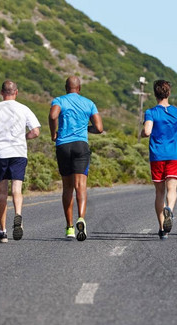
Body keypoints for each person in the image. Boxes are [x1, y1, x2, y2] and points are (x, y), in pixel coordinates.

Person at [0, 80, 41, 242]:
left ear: (1, 93)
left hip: (0, 153)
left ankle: (3, 231)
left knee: (2, 193)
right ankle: (18, 216)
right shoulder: (24, 108)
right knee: (17, 189)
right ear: (16, 92)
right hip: (19, 152)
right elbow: (35, 131)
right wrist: (23, 137)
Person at [48, 76, 104, 241]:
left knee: (67, 188)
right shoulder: (89, 103)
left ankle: (70, 227)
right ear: (79, 88)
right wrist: (86, 129)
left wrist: (53, 133)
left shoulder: (59, 100)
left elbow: (52, 116)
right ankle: (81, 217)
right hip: (81, 145)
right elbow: (100, 128)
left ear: (66, 88)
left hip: (63, 145)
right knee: (81, 186)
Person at [142, 80, 177, 239]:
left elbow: (147, 131)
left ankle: (162, 229)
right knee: (172, 189)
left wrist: (144, 129)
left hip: (157, 156)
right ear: (169, 93)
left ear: (155, 93)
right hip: (173, 156)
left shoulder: (151, 112)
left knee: (159, 192)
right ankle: (170, 209)